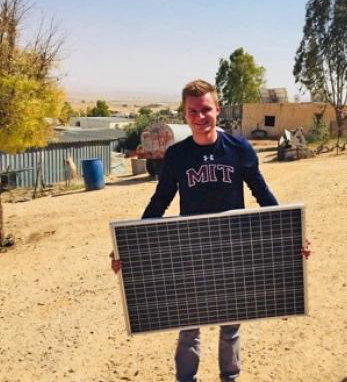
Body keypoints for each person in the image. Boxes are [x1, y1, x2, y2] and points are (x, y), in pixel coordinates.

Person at [112, 79, 279, 382]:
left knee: (230, 325)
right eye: (193, 112)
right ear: (184, 114)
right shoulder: (176, 156)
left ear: (217, 109)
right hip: (191, 250)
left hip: (233, 248)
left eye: (206, 109)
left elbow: (263, 194)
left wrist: (292, 231)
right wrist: (128, 246)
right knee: (189, 324)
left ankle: (230, 377)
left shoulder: (239, 149)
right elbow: (159, 202)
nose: (200, 117)